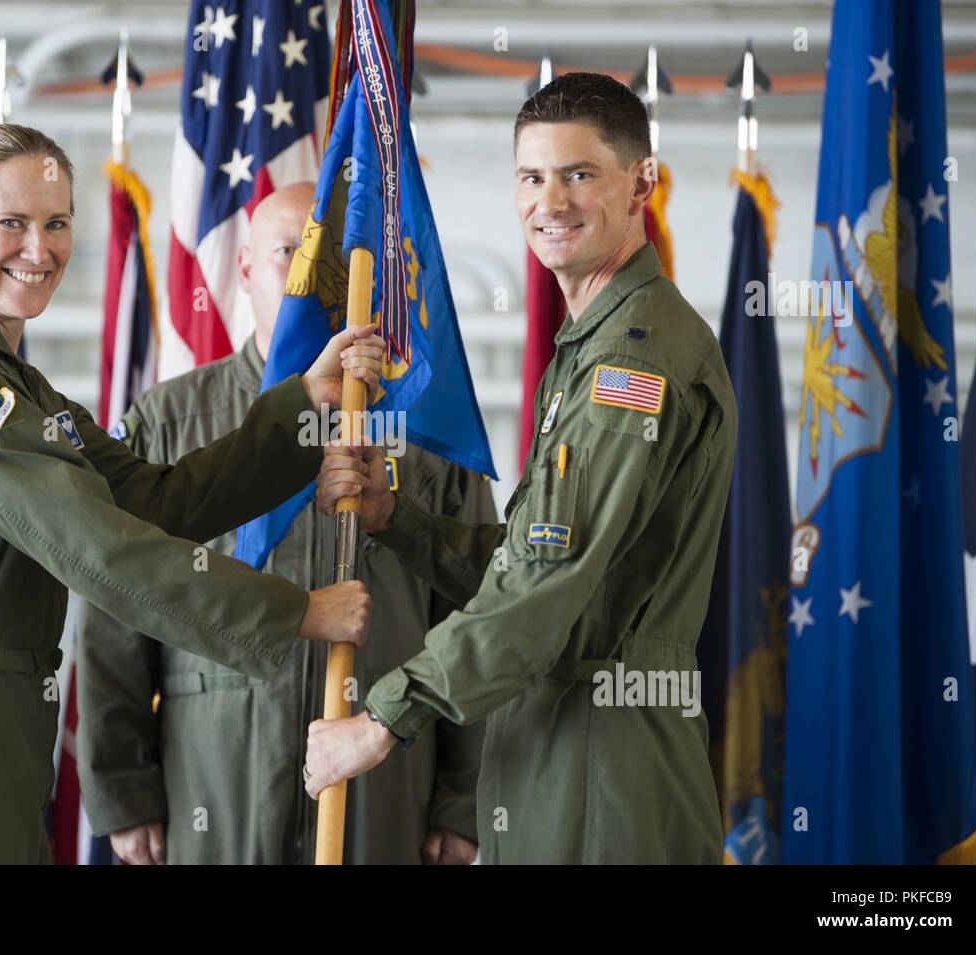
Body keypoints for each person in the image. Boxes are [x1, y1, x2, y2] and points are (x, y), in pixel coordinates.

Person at [0, 124, 386, 864]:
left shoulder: (17, 381)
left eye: (56, 223)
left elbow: (154, 499)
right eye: (11, 223)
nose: (38, 249)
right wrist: (294, 610)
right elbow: (93, 542)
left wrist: (302, 401)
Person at [304, 72, 738, 864]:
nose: (552, 202)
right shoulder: (592, 346)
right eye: (532, 177)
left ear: (643, 181)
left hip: (604, 759)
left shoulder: (630, 364)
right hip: (555, 741)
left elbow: (547, 583)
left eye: (580, 174)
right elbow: (530, 560)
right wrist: (393, 520)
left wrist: (383, 717)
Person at [77, 183, 493, 865]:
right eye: (286, 255)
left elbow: (475, 609)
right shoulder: (174, 421)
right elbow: (112, 610)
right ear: (242, 269)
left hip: (386, 789)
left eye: (328, 262)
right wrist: (125, 790)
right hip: (212, 785)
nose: (308, 281)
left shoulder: (420, 431)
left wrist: (462, 799)